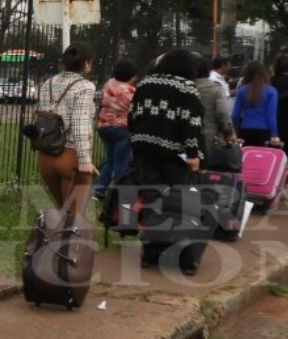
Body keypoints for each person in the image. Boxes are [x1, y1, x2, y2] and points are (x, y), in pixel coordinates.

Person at [35, 41, 98, 213]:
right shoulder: (85, 86)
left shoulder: (48, 83)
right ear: (86, 63)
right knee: (73, 218)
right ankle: (67, 240)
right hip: (70, 156)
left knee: (62, 210)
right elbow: (80, 123)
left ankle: (52, 239)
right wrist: (85, 161)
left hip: (46, 156)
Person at [129, 48, 205, 186]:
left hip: (143, 148)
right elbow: (191, 123)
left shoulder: (145, 83)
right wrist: (193, 154)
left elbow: (132, 115)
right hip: (172, 152)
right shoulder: (187, 87)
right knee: (171, 196)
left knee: (147, 191)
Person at [93, 58, 139, 201]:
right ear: (132, 76)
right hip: (121, 129)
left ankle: (99, 190)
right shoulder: (131, 91)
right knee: (121, 162)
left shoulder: (108, 84)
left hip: (104, 127)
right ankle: (119, 193)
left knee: (110, 160)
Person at [193, 53, 235, 163]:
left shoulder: (181, 87)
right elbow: (222, 113)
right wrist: (229, 133)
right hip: (209, 139)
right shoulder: (215, 88)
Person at [231, 60, 281, 148]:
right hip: (264, 130)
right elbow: (271, 117)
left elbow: (235, 115)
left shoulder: (242, 90)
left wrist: (236, 131)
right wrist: (274, 134)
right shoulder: (271, 91)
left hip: (245, 129)